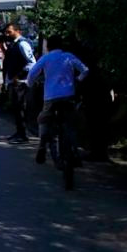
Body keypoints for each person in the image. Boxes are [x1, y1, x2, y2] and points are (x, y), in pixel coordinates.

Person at [27, 36, 88, 165]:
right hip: (68, 95)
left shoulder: (46, 58)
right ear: (62, 45)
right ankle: (75, 151)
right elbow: (85, 70)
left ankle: (42, 145)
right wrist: (78, 80)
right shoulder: (68, 56)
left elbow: (32, 74)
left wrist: (29, 84)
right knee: (71, 124)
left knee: (43, 119)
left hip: (51, 97)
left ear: (48, 47)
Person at [2, 23, 36, 143]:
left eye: (9, 32)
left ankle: (22, 135)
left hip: (20, 82)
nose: (7, 34)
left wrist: (19, 76)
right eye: (6, 32)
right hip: (14, 82)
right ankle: (19, 132)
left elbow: (32, 63)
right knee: (16, 109)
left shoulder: (22, 44)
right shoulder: (13, 44)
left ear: (17, 31)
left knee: (20, 108)